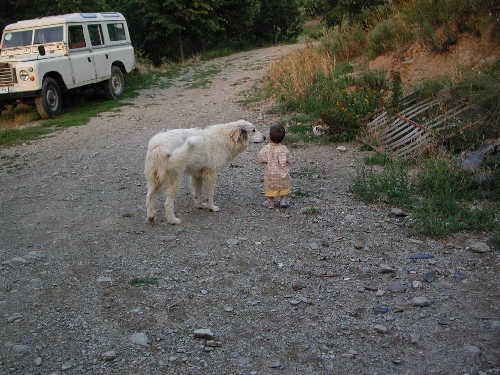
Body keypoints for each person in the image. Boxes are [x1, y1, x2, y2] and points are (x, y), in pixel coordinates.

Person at [257, 124, 291, 209]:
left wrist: (263, 161)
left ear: (269, 137)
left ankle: (270, 202)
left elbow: (261, 157)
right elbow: (288, 159)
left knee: (270, 187)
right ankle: (283, 200)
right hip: (283, 173)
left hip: (271, 174)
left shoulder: (267, 148)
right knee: (283, 186)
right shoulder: (284, 148)